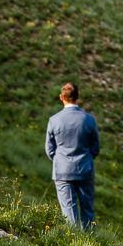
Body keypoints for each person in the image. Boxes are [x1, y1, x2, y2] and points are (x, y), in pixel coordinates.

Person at [45, 81, 100, 229]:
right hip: (85, 170)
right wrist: (86, 159)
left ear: (61, 97)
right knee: (88, 210)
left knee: (68, 211)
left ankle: (73, 244)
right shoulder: (89, 119)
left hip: (62, 171)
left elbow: (50, 149)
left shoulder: (54, 120)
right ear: (78, 96)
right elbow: (95, 147)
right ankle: (91, 243)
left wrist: (60, 160)